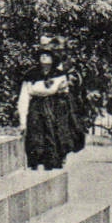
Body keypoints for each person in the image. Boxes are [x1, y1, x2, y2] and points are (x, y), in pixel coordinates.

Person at [17, 41, 74, 171]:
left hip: (54, 107)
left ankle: (53, 162)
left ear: (53, 59)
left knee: (53, 132)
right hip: (36, 107)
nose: (43, 57)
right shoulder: (31, 74)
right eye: (41, 55)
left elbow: (60, 93)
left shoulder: (59, 75)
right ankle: (35, 162)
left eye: (47, 55)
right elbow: (24, 96)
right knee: (35, 133)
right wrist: (22, 120)